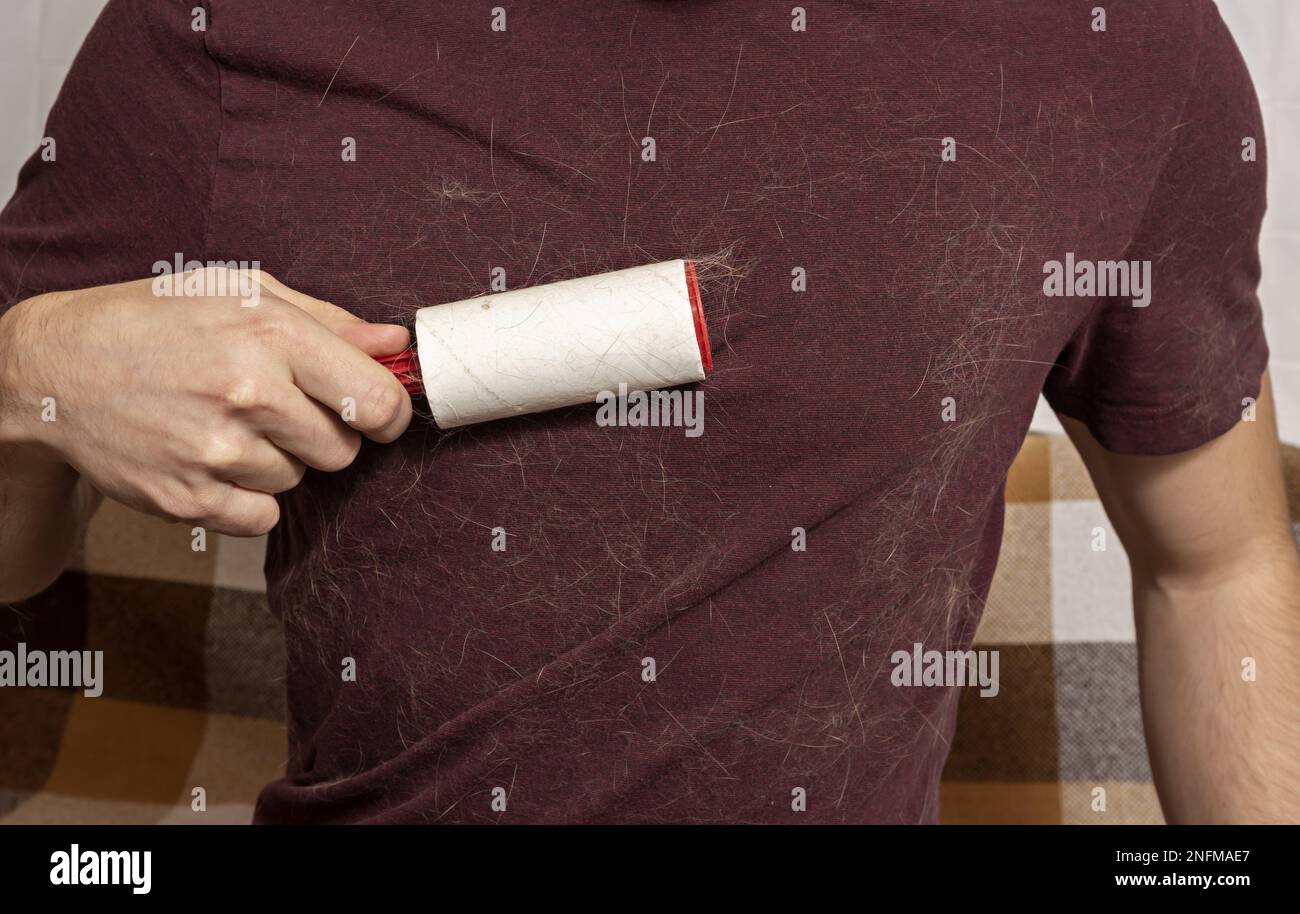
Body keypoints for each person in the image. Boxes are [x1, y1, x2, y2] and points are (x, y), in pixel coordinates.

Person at [0, 0, 1296, 823]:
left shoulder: (1120, 48)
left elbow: (1220, 562)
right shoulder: (219, 28)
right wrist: (26, 374)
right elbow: (17, 556)